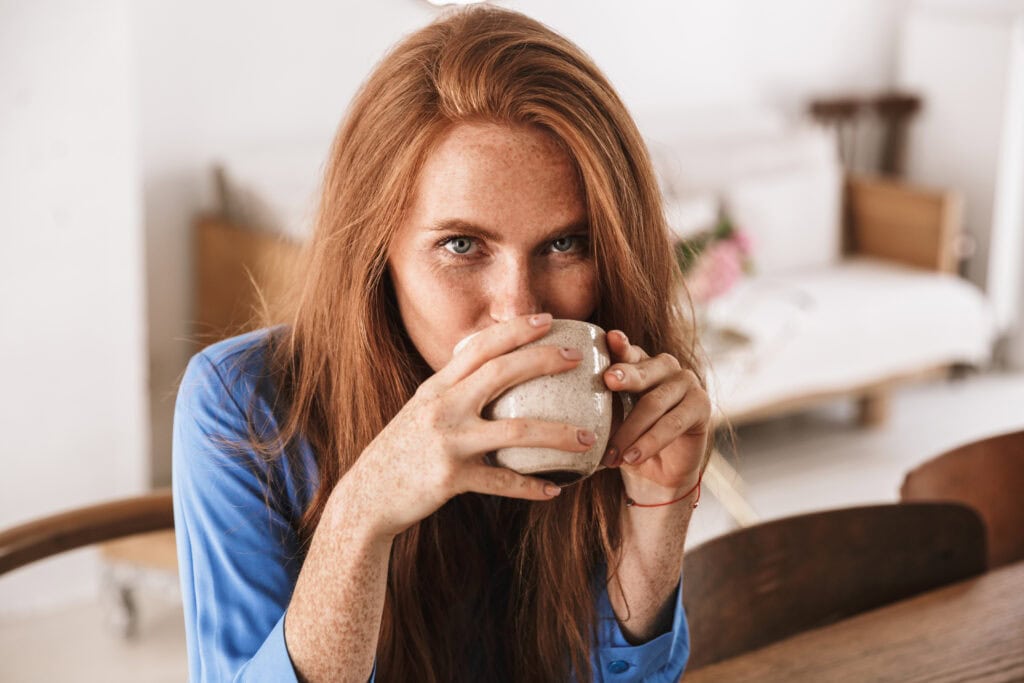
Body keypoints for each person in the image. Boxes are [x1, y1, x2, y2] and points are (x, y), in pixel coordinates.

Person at [173, 6, 712, 682]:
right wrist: (362, 514)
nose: (518, 307)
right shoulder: (240, 402)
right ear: (377, 251)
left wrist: (656, 520)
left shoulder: (613, 390)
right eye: (462, 245)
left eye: (565, 244)